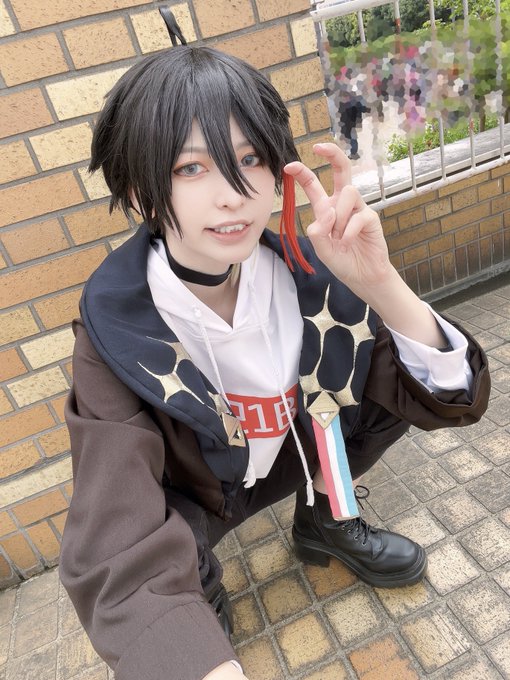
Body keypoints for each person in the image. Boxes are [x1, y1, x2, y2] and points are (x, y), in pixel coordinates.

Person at [59, 46, 490, 680]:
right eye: (190, 167)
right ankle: (195, 592)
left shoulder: (304, 270)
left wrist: (380, 284)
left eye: (249, 159)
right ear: (139, 190)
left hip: (290, 456)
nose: (233, 195)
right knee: (167, 562)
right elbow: (114, 542)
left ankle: (325, 520)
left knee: (386, 378)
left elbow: (447, 396)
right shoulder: (118, 327)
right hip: (201, 495)